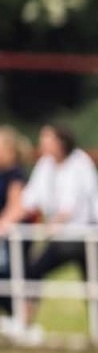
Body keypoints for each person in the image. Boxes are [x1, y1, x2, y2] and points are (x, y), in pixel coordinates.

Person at [7, 123, 98, 343]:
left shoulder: (80, 163)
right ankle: (24, 324)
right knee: (35, 270)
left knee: (93, 281)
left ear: (61, 142)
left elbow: (72, 206)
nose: (42, 143)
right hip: (66, 234)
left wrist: (51, 226)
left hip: (92, 232)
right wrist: (7, 221)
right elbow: (29, 200)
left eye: (46, 138)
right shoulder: (45, 165)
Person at [0, 127, 33, 324]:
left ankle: (20, 320)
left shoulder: (15, 175)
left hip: (13, 236)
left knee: (11, 277)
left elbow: (16, 206)